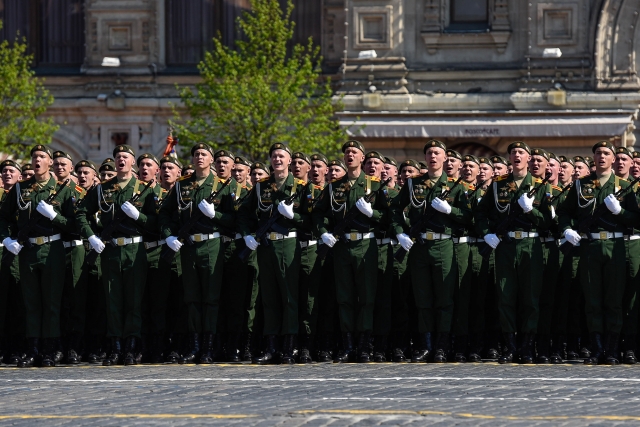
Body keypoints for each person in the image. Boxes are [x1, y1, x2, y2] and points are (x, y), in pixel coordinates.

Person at [558, 141, 640, 365]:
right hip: (590, 246)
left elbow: (637, 219)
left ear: (613, 159)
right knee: (593, 299)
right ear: (593, 158)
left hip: (615, 247)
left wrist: (620, 211)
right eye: (597, 153)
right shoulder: (581, 186)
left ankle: (612, 349)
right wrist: (567, 230)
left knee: (613, 300)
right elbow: (564, 212)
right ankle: (597, 349)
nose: (601, 157)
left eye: (606, 153)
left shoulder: (626, 186)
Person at [391, 140, 472, 363]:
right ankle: (426, 346)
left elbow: (467, 216)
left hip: (443, 245)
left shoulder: (457, 186)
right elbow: (395, 210)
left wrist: (451, 210)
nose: (433, 156)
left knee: (445, 299)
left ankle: (442, 347)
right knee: (422, 299)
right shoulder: (413, 184)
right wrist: (400, 233)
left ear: (445, 158)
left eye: (437, 153)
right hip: (419, 246)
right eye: (429, 153)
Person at [77, 145, 158, 366]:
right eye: (118, 157)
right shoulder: (103, 189)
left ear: (133, 163)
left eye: (126, 157)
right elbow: (81, 213)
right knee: (113, 300)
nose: (121, 160)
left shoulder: (144, 189)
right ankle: (116, 348)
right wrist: (91, 236)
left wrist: (139, 217)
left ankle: (131, 348)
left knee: (133, 300)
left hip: (135, 250)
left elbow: (155, 223)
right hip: (111, 250)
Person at [313, 140, 391, 363]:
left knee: (366, 297)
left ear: (362, 158)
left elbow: (387, 218)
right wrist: (323, 232)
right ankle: (348, 345)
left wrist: (372, 215)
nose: (349, 155)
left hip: (366, 245)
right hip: (342, 246)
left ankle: (364, 345)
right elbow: (319, 214)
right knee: (345, 297)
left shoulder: (375, 186)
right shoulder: (334, 187)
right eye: (346, 152)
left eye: (354, 152)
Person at [475, 141, 552, 364]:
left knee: (530, 299)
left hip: (531, 247)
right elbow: (480, 213)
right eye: (513, 153)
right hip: (505, 246)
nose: (516, 155)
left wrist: (531, 211)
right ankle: (510, 347)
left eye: (521, 152)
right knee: (506, 297)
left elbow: (547, 222)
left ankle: (527, 347)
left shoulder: (540, 185)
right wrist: (487, 233)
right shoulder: (498, 185)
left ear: (528, 159)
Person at [159, 144, 236, 365]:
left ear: (211, 160)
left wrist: (216, 215)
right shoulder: (182, 186)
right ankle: (194, 346)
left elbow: (234, 219)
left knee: (211, 298)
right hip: (189, 246)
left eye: (204, 155)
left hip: (212, 246)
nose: (199, 157)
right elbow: (165, 214)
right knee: (191, 298)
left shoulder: (222, 185)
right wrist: (169, 236)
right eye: (196, 155)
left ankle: (209, 347)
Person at [0, 145, 76, 368]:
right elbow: (3, 218)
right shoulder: (20, 189)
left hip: (52, 249)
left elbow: (74, 225)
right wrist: (7, 239)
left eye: (42, 157)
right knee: (31, 303)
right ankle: (33, 349)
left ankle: (50, 349)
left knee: (51, 302)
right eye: (34, 157)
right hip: (28, 251)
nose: (37, 160)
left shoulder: (64, 189)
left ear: (50, 162)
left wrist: (55, 217)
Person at [238, 143, 311, 365]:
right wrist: (247, 235)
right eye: (274, 156)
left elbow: (311, 220)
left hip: (288, 245)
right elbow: (243, 214)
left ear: (290, 161)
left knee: (289, 296)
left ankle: (288, 347)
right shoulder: (261, 187)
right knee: (269, 297)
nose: (277, 159)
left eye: (281, 156)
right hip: (266, 247)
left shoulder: (301, 187)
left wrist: (294, 218)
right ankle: (271, 346)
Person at [52, 151, 88, 365]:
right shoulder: (48, 189)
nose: (59, 167)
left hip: (74, 248)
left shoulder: (76, 192)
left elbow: (77, 225)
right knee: (57, 299)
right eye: (55, 164)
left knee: (75, 299)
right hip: (55, 248)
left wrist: (55, 217)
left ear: (70, 167)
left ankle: (75, 346)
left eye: (63, 164)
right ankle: (58, 345)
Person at [296, 153, 328, 363]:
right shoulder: (298, 190)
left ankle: (319, 344)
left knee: (319, 300)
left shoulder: (328, 192)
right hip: (297, 247)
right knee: (301, 299)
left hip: (320, 248)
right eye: (312, 166)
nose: (315, 170)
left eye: (318, 166)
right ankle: (302, 344)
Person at [0, 160, 25, 366]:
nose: (7, 174)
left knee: (17, 302)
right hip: (3, 249)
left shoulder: (23, 196)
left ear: (20, 176)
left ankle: (16, 347)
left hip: (19, 252)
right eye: (4, 171)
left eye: (11, 171)